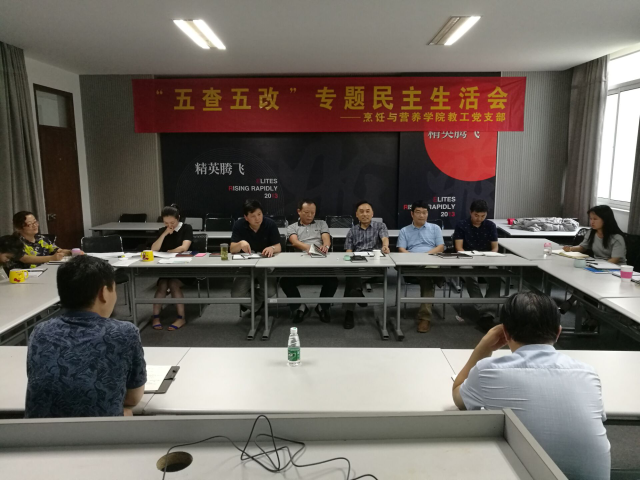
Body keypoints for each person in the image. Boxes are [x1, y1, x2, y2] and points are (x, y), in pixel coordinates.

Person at [452, 292, 610, 480]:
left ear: (505, 333)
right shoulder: (588, 373)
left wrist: (484, 347)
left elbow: (458, 397)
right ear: (558, 332)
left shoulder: (489, 371)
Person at [26, 255, 147, 418]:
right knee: (127, 414)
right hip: (96, 430)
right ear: (104, 293)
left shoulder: (40, 331)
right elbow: (133, 398)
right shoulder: (124, 332)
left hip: (38, 431)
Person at [560, 205, 626, 324]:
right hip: (598, 268)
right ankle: (592, 317)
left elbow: (615, 260)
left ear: (605, 220)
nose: (592, 222)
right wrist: (570, 249)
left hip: (615, 271)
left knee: (585, 283)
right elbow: (583, 247)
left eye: (595, 219)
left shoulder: (617, 238)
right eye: (590, 219)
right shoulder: (591, 233)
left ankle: (573, 303)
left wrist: (597, 267)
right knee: (582, 282)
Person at [282, 199, 338, 323]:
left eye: (313, 213)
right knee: (285, 281)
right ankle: (300, 307)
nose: (310, 215)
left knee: (333, 280)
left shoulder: (321, 224)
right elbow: (295, 242)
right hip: (300, 265)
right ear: (299, 211)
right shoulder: (292, 227)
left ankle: (322, 307)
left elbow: (326, 239)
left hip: (320, 263)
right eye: (307, 212)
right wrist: (311, 249)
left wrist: (325, 247)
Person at [397, 200, 445, 333]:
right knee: (429, 276)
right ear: (412, 214)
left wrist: (425, 256)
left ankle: (425, 317)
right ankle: (438, 278)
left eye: (424, 212)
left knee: (427, 277)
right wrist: (414, 259)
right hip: (412, 263)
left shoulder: (435, 228)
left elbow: (440, 247)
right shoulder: (404, 230)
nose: (422, 215)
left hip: (430, 261)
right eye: (418, 212)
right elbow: (401, 249)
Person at [452, 199, 501, 327]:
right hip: (467, 259)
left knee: (496, 277)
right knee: (469, 274)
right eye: (476, 215)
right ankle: (484, 311)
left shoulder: (490, 225)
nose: (479, 219)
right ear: (470, 212)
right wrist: (470, 257)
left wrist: (489, 256)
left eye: (483, 216)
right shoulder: (462, 225)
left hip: (486, 258)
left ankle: (487, 313)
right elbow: (459, 248)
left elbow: (495, 248)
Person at [343, 201, 390, 329]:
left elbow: (384, 238)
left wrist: (385, 246)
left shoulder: (380, 226)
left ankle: (349, 311)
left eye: (368, 211)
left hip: (375, 263)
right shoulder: (352, 230)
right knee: (351, 272)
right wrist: (349, 260)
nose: (365, 214)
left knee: (351, 279)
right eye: (361, 211)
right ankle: (357, 294)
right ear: (356, 214)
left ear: (372, 213)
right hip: (357, 263)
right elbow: (348, 250)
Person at [230, 199, 281, 309]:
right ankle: (257, 306)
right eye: (253, 216)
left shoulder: (270, 224)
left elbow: (278, 247)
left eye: (259, 214)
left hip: (266, 265)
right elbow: (232, 249)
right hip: (246, 265)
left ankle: (253, 304)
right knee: (236, 295)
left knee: (270, 292)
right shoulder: (239, 225)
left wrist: (272, 248)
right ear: (246, 217)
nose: (257, 218)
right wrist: (240, 244)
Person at [150, 205, 193, 330]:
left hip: (185, 267)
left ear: (178, 218)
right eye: (166, 223)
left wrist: (170, 251)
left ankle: (181, 318)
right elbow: (154, 249)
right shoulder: (162, 230)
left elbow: (184, 247)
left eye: (172, 222)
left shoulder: (186, 228)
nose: (169, 225)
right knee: (162, 284)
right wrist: (164, 234)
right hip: (168, 267)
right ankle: (155, 316)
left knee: (173, 283)